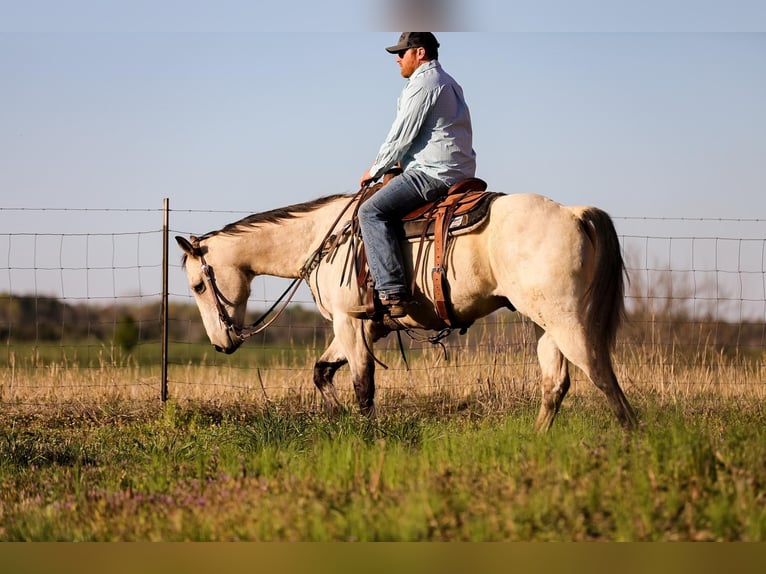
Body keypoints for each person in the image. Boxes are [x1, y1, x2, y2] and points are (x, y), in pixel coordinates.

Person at [355, 32, 477, 318]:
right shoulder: (449, 82)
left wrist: (375, 169)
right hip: (458, 169)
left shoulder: (424, 83)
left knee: (370, 212)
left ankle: (391, 291)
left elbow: (401, 135)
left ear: (419, 53)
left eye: (402, 52)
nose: (397, 59)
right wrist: (399, 164)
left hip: (432, 173)